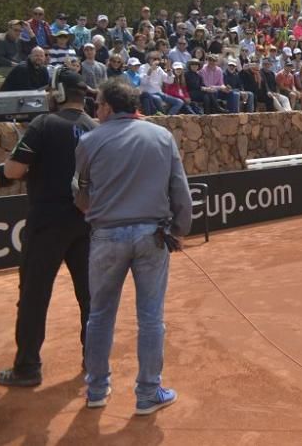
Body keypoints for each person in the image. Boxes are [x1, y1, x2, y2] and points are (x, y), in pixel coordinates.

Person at [74, 78, 193, 414]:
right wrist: (180, 230)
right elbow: (180, 190)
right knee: (151, 318)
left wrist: (97, 211)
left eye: (97, 105)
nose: (95, 111)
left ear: (109, 107)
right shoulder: (162, 136)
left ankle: (96, 390)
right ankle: (147, 393)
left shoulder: (88, 141)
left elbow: (80, 195)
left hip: (106, 235)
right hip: (152, 235)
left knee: (99, 316)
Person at [0, 69, 97, 387]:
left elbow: (13, 169)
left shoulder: (43, 123)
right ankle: (92, 361)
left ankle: (28, 368)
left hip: (47, 224)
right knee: (90, 297)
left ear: (58, 93)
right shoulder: (95, 129)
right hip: (86, 225)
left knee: (34, 296)